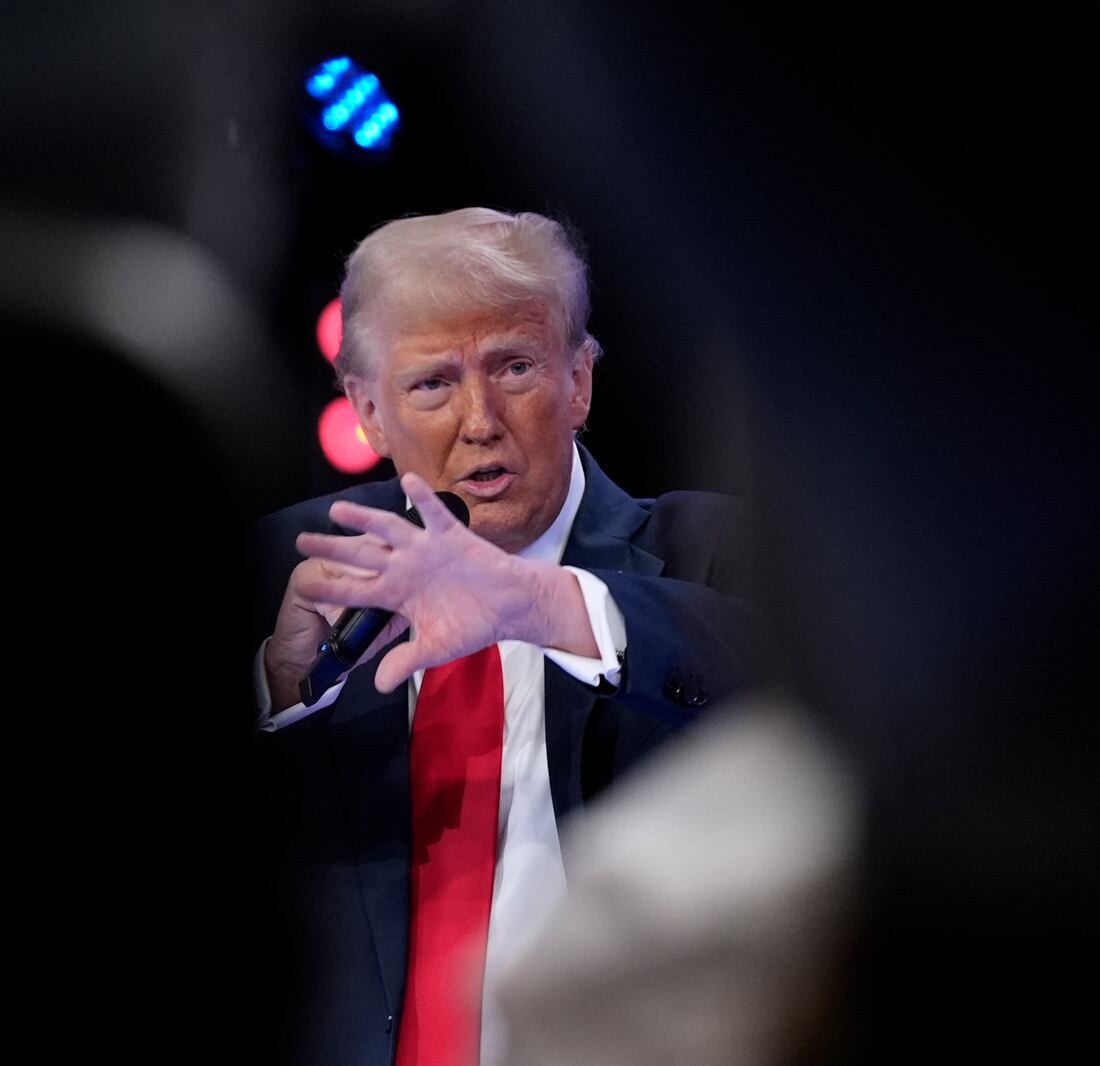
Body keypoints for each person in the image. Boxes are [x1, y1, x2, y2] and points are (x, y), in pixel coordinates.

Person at [249, 207, 756, 1066]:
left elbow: (804, 704)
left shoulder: (711, 553)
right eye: (433, 384)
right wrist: (280, 680)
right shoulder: (282, 570)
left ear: (580, 383)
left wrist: (541, 604)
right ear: (368, 412)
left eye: (514, 367)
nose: (480, 420)